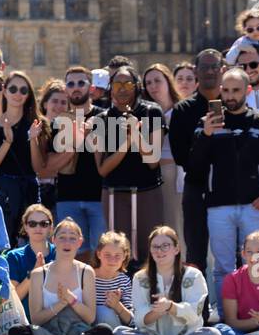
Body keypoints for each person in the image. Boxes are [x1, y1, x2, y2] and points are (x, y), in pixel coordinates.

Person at [193, 66, 259, 294]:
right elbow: (195, 165)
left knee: (258, 264)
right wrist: (206, 135)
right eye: (226, 90)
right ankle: (227, 319)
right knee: (223, 267)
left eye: (236, 90)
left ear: (248, 90)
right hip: (218, 207)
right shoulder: (207, 123)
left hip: (254, 206)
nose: (230, 96)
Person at [7, 219, 114, 335]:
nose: (67, 243)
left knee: (104, 331)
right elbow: (37, 319)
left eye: (72, 238)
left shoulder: (86, 272)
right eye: (62, 237)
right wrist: (61, 303)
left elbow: (90, 317)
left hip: (76, 334)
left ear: (80, 242)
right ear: (54, 240)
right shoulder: (39, 274)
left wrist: (71, 299)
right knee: (15, 332)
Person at [111, 226, 222, 335]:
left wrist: (170, 307)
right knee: (119, 334)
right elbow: (139, 319)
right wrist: (156, 312)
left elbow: (195, 314)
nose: (159, 251)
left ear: (176, 249)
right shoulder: (140, 277)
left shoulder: (193, 275)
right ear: (150, 250)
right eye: (155, 247)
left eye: (165, 246)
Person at [92, 65, 165, 264]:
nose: (122, 88)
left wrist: (137, 136)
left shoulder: (152, 112)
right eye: (117, 83)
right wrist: (126, 143)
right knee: (118, 253)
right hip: (115, 193)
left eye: (128, 83)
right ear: (110, 87)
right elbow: (102, 169)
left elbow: (152, 161)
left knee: (150, 252)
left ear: (137, 86)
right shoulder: (101, 120)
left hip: (147, 191)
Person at [168, 49, 225, 271]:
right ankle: (197, 306)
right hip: (196, 188)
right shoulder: (183, 110)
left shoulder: (234, 104)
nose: (210, 71)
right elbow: (181, 156)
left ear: (223, 70)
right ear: (196, 71)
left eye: (214, 67)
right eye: (205, 67)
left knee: (234, 254)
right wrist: (204, 136)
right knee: (196, 254)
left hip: (231, 188)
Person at [52, 67, 107, 262]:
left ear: (91, 88)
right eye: (71, 84)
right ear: (65, 89)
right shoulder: (59, 121)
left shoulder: (106, 117)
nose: (76, 88)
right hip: (68, 196)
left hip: (100, 195)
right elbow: (51, 163)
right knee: (75, 256)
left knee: (103, 253)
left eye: (81, 83)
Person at [0, 71, 39, 244]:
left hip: (28, 193)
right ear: (5, 91)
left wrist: (33, 139)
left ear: (29, 95)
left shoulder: (35, 124)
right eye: (13, 89)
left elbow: (37, 168)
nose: (17, 94)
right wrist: (7, 142)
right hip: (2, 195)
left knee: (30, 247)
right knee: (3, 246)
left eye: (23, 90)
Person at [143, 63, 185, 236]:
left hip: (176, 174)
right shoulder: (145, 113)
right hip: (152, 175)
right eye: (148, 83)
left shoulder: (182, 110)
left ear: (168, 82)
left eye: (157, 81)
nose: (153, 86)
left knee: (176, 223)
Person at [5, 204, 56, 320]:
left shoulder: (60, 254)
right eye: (32, 224)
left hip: (57, 321)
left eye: (43, 224)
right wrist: (33, 274)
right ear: (26, 227)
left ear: (50, 227)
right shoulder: (14, 257)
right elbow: (13, 299)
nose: (38, 228)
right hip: (25, 323)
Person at [92, 230, 135, 335]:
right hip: (92, 329)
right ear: (99, 254)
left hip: (115, 333)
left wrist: (117, 305)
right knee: (103, 312)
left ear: (124, 257)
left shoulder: (124, 280)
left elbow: (131, 320)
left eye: (117, 256)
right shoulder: (88, 276)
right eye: (107, 255)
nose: (112, 260)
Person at [30, 79, 68, 216]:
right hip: (38, 192)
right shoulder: (36, 127)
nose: (59, 106)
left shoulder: (70, 130)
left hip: (61, 194)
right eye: (55, 101)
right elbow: (41, 169)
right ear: (45, 103)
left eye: (63, 102)